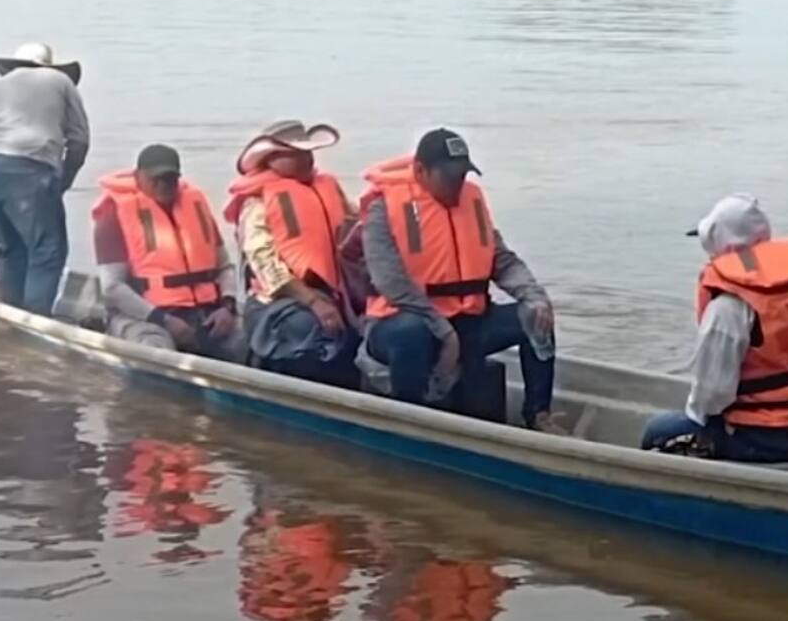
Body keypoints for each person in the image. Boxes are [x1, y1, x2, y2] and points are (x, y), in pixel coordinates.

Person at [641, 193, 788, 462]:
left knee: (657, 431)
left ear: (717, 243)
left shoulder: (728, 303)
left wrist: (699, 419)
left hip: (762, 437)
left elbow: (713, 395)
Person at [359, 128, 564, 433]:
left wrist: (534, 297)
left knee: (536, 317)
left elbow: (503, 261)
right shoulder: (383, 208)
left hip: (467, 321)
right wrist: (444, 332)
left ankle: (538, 416)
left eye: (462, 176)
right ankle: (409, 425)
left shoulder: (473, 202)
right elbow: (391, 284)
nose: (457, 184)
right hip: (405, 323)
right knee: (412, 333)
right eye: (448, 176)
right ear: (420, 171)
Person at [223, 120, 360, 386]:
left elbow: (354, 224)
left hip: (333, 292)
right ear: (271, 159)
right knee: (313, 331)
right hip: (279, 300)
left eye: (308, 152)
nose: (307, 159)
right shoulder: (256, 201)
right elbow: (266, 264)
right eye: (296, 154)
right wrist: (313, 301)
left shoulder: (329, 186)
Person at [0, 42, 90, 314]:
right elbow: (79, 140)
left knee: (13, 247)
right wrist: (63, 182)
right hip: (26, 171)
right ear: (48, 65)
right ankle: (35, 318)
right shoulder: (60, 81)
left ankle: (13, 315)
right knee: (47, 250)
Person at [91, 143, 245, 361]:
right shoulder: (113, 215)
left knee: (246, 346)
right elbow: (113, 289)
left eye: (170, 178)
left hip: (205, 313)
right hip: (145, 316)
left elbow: (224, 267)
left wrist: (227, 307)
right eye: (156, 179)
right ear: (138, 176)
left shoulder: (196, 206)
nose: (163, 185)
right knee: (156, 350)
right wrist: (163, 320)